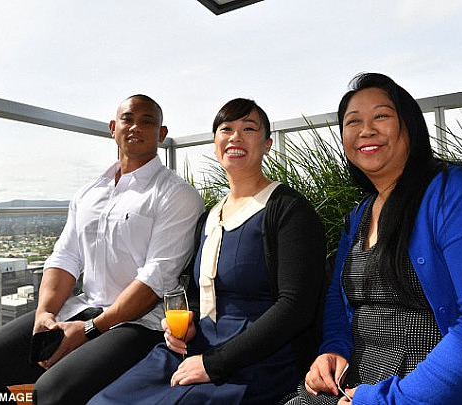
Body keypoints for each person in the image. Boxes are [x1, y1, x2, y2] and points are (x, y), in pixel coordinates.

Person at [284, 73, 462, 405]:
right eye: (353, 122)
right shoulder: (359, 216)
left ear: (410, 125)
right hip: (359, 384)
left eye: (381, 116)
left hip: (435, 390)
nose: (365, 129)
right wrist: (333, 349)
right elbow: (341, 304)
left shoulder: (460, 194)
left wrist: (388, 400)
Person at [0, 95, 204, 404]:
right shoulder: (89, 192)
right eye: (128, 119)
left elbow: (155, 280)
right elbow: (65, 257)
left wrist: (87, 330)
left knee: (50, 393)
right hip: (81, 308)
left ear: (161, 134)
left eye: (148, 121)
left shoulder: (177, 195)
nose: (136, 126)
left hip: (138, 324)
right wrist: (45, 313)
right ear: (113, 128)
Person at [89, 98, 327, 405]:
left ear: (267, 145)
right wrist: (185, 324)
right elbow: (201, 296)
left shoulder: (288, 211)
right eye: (226, 128)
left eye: (249, 128)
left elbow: (295, 308)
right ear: (215, 143)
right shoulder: (209, 217)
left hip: (258, 360)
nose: (235, 137)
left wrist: (213, 364)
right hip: (196, 348)